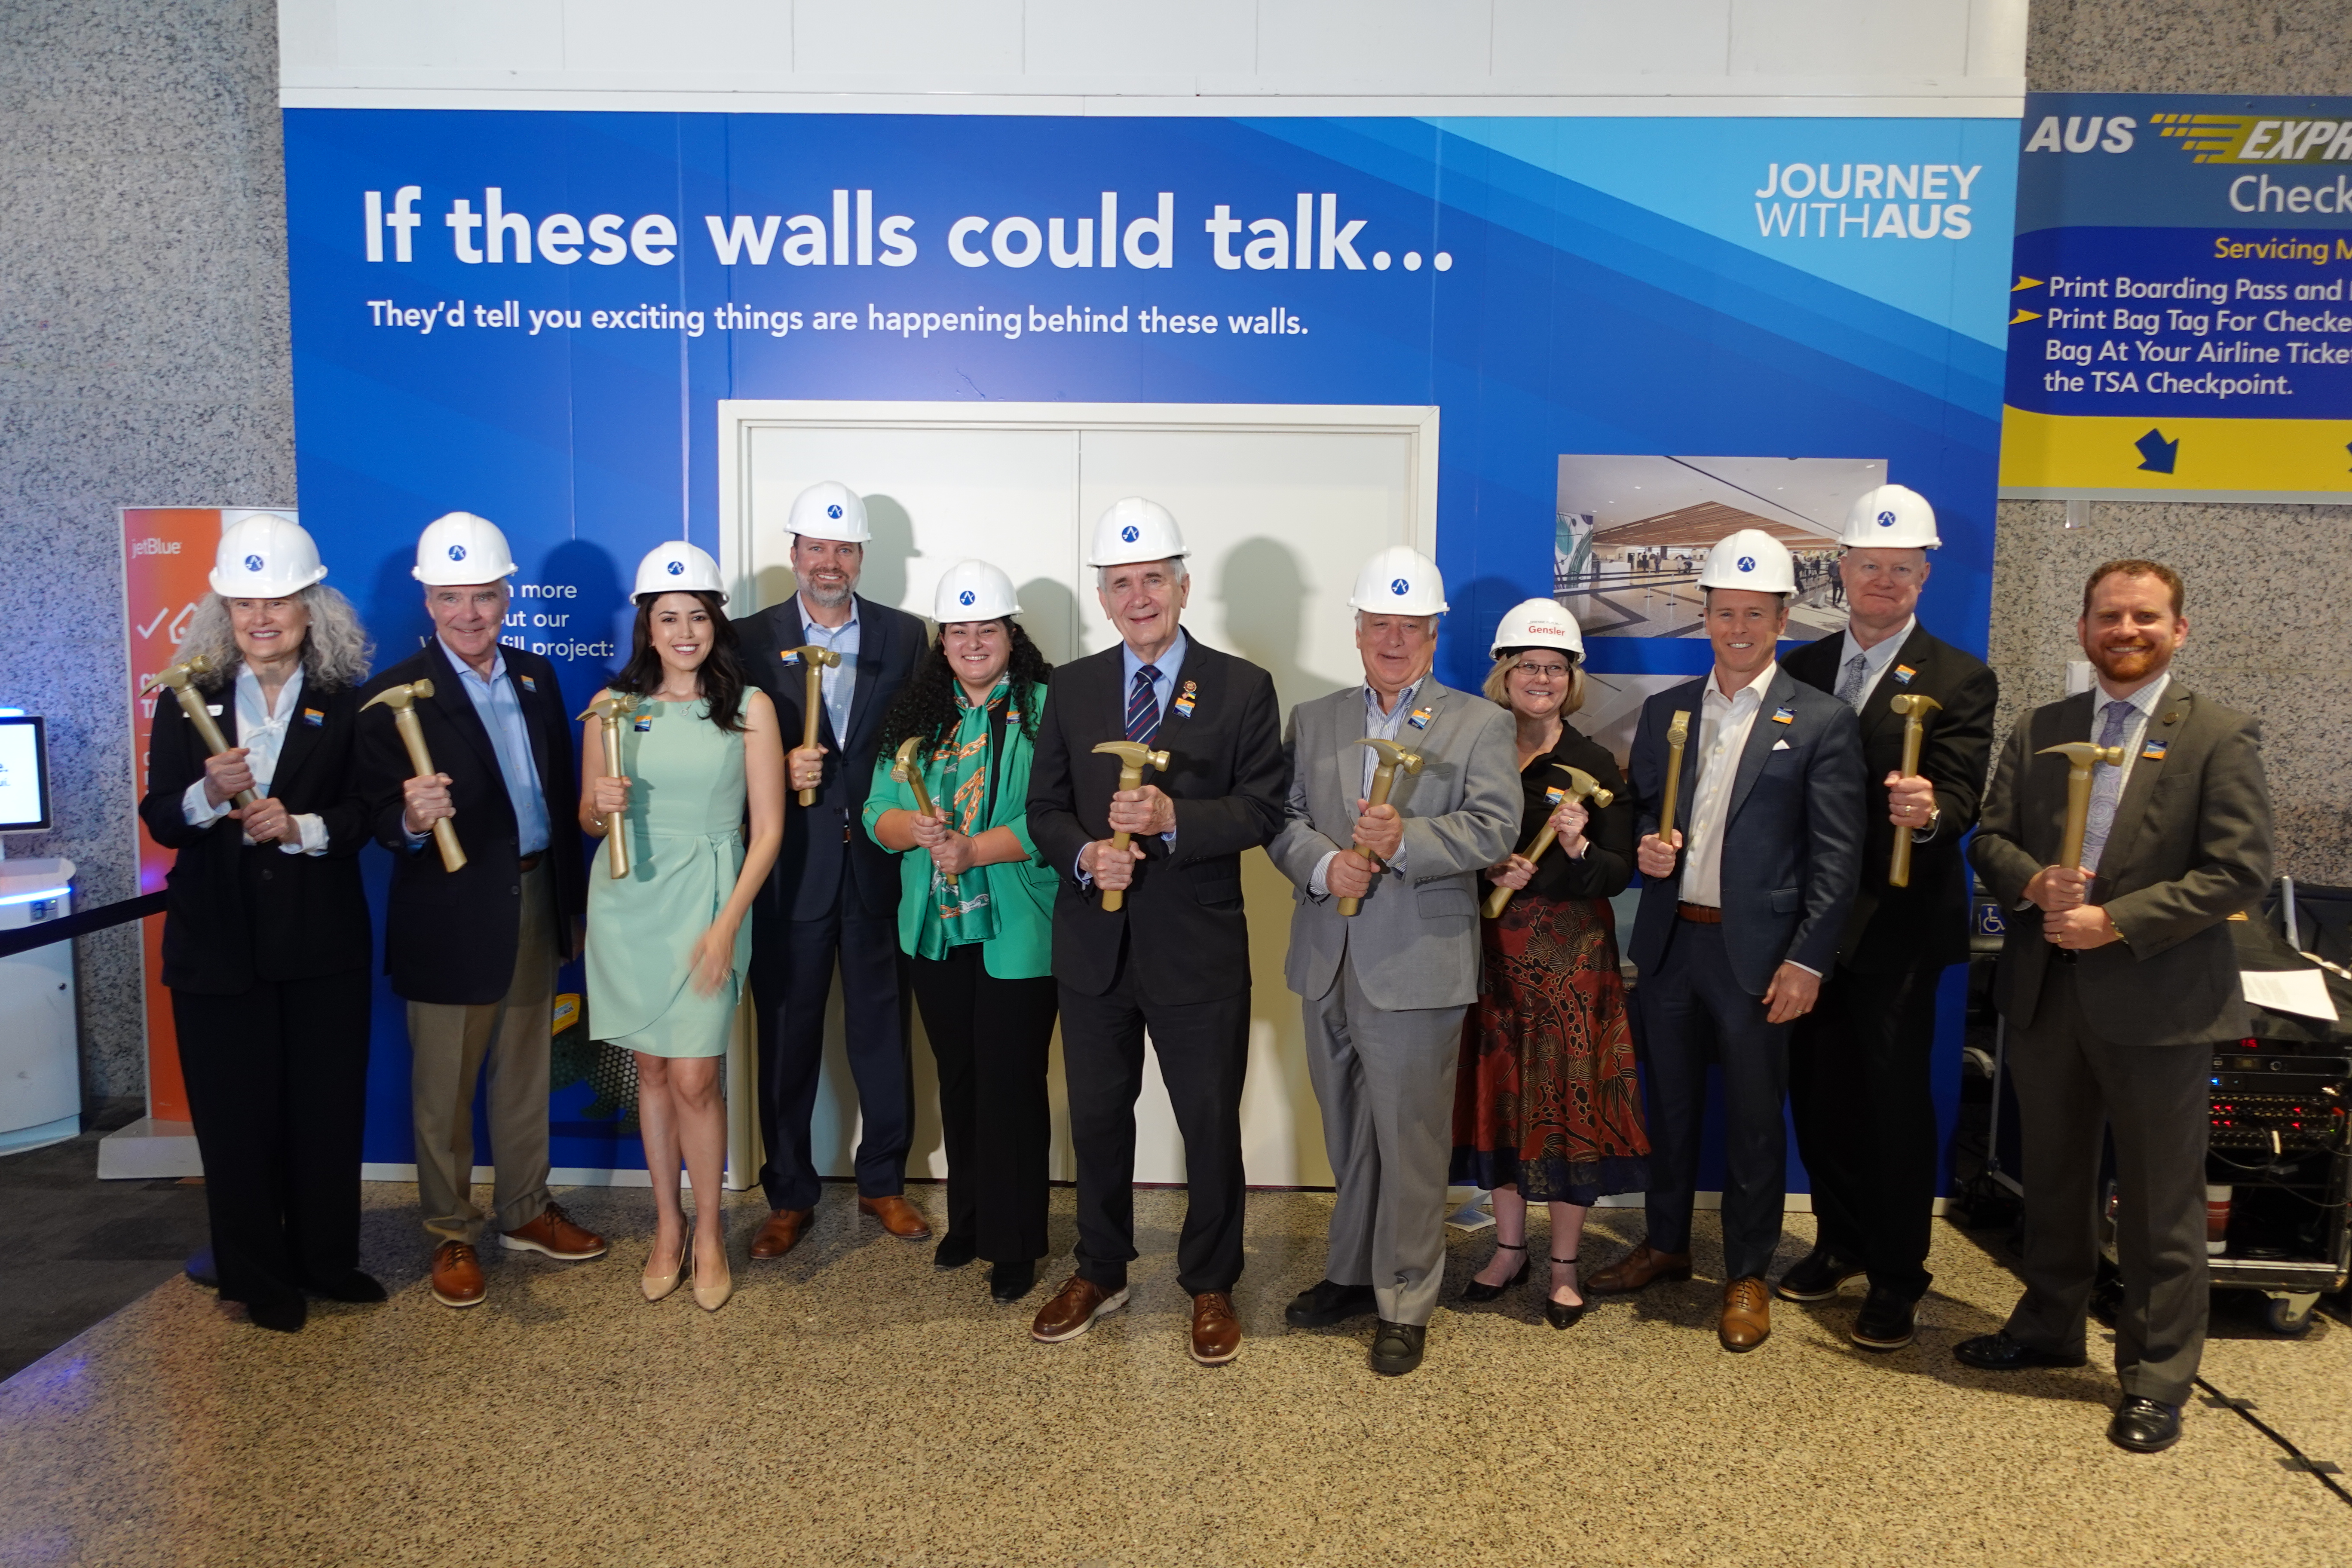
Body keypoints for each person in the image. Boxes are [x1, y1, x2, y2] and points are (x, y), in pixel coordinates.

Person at [1958, 560, 2271, 1455]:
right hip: (2049, 995)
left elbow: (2237, 870)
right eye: (2108, 617)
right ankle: (2050, 1324)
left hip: (2160, 1004)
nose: (2124, 631)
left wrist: (2117, 923)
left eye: (2144, 617)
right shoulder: (2044, 726)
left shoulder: (2218, 735)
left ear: (2180, 628)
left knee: (2159, 1203)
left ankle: (2155, 1377)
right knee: (2053, 1179)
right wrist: (2033, 880)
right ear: (2084, 627)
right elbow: (1991, 834)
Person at [1025, 499, 1286, 1366]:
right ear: (1103, 596)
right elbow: (1044, 810)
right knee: (1098, 1117)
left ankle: (1210, 1281)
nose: (1139, 598)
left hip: (1197, 950)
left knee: (1208, 1121)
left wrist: (1175, 817)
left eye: (1153, 581)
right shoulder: (1071, 686)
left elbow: (1261, 809)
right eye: (1121, 583)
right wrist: (1085, 855)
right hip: (1094, 950)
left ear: (1182, 584)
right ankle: (1101, 1267)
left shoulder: (1243, 687)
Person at [1589, 529, 1863, 1354]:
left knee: (1752, 1121)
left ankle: (1746, 1270)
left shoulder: (1821, 720)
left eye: (1754, 613)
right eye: (1722, 612)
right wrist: (1643, 847)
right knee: (1667, 1110)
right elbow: (1642, 813)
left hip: (1758, 957)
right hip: (1674, 946)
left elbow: (1836, 858)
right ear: (1703, 614)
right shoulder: (1668, 710)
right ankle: (1668, 1244)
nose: (1736, 628)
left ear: (1783, 617)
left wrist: (1808, 959)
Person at [1268, 545, 1519, 1376]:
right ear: (1358, 630)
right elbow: (1285, 814)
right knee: (1348, 1135)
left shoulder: (1478, 721)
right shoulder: (1317, 718)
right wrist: (1320, 863)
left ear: (1435, 633)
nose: (1395, 640)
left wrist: (1404, 841)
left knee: (1409, 1143)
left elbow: (1494, 828)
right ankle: (1351, 1272)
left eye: (1412, 627)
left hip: (1416, 962)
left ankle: (1407, 1296)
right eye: (1381, 624)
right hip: (1326, 957)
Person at [136, 514, 379, 1332]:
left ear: (314, 606)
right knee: (236, 1123)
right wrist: (208, 794)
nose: (261, 618)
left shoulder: (345, 700)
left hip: (321, 943)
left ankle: (327, 1262)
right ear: (225, 612)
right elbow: (162, 818)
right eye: (244, 604)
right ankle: (257, 1279)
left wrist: (301, 827)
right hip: (219, 946)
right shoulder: (187, 697)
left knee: (324, 1109)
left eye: (278, 601)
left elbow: (364, 814)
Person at [358, 511, 605, 1310]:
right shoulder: (387, 698)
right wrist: (410, 818)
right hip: (449, 911)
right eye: (452, 597)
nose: (471, 613)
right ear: (428, 601)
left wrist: (569, 904)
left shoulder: (536, 676)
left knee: (525, 1072)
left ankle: (525, 1211)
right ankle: (450, 1232)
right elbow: (374, 825)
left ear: (508, 596)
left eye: (485, 596)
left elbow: (558, 796)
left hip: (535, 894)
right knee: (443, 1086)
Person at [1774, 485, 1997, 1352]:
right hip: (1811, 927)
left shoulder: (1958, 677)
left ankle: (1899, 1277)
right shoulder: (1804, 668)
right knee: (1820, 1092)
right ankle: (1841, 1242)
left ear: (1924, 575)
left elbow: (1965, 796)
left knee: (1893, 1106)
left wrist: (1929, 810)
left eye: (1902, 568)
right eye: (1870, 564)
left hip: (1898, 929)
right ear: (1843, 568)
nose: (1884, 580)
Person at [581, 542, 784, 1313]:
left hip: (710, 897)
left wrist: (729, 923)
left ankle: (709, 1234)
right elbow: (589, 822)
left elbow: (766, 832)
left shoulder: (750, 707)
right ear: (647, 626)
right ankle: (666, 1228)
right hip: (630, 901)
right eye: (669, 617)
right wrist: (602, 803)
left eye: (697, 616)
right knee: (655, 1073)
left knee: (698, 1075)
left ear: (715, 623)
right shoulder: (611, 709)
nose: (684, 631)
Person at [733, 481, 930, 1259]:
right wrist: (776, 766)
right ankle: (788, 1194)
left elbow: (921, 737)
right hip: (789, 869)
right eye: (816, 547)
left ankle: (884, 1183)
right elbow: (725, 747)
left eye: (844, 549)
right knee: (786, 1035)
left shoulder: (906, 635)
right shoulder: (745, 638)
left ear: (861, 557)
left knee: (882, 1033)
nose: (830, 562)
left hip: (880, 864)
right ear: (794, 553)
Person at [864, 560, 1060, 1307]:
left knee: (1012, 1084)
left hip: (1020, 926)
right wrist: (911, 828)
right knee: (962, 1077)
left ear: (1011, 635)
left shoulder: (1048, 708)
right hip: (936, 931)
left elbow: (1054, 816)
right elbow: (878, 812)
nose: (973, 642)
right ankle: (972, 1221)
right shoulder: (916, 716)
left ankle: (1017, 1242)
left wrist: (977, 848)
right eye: (959, 630)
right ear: (941, 642)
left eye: (988, 629)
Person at [1452, 600, 1646, 1330]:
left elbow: (1619, 872)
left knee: (1570, 1107)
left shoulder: (1595, 763)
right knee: (1501, 1097)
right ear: (1505, 673)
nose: (1541, 678)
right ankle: (1508, 1250)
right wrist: (1484, 869)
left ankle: (1562, 1264)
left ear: (1572, 679)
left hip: (1572, 958)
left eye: (1555, 668)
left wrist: (1575, 849)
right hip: (1493, 954)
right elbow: (1447, 844)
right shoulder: (1475, 746)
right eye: (1528, 666)